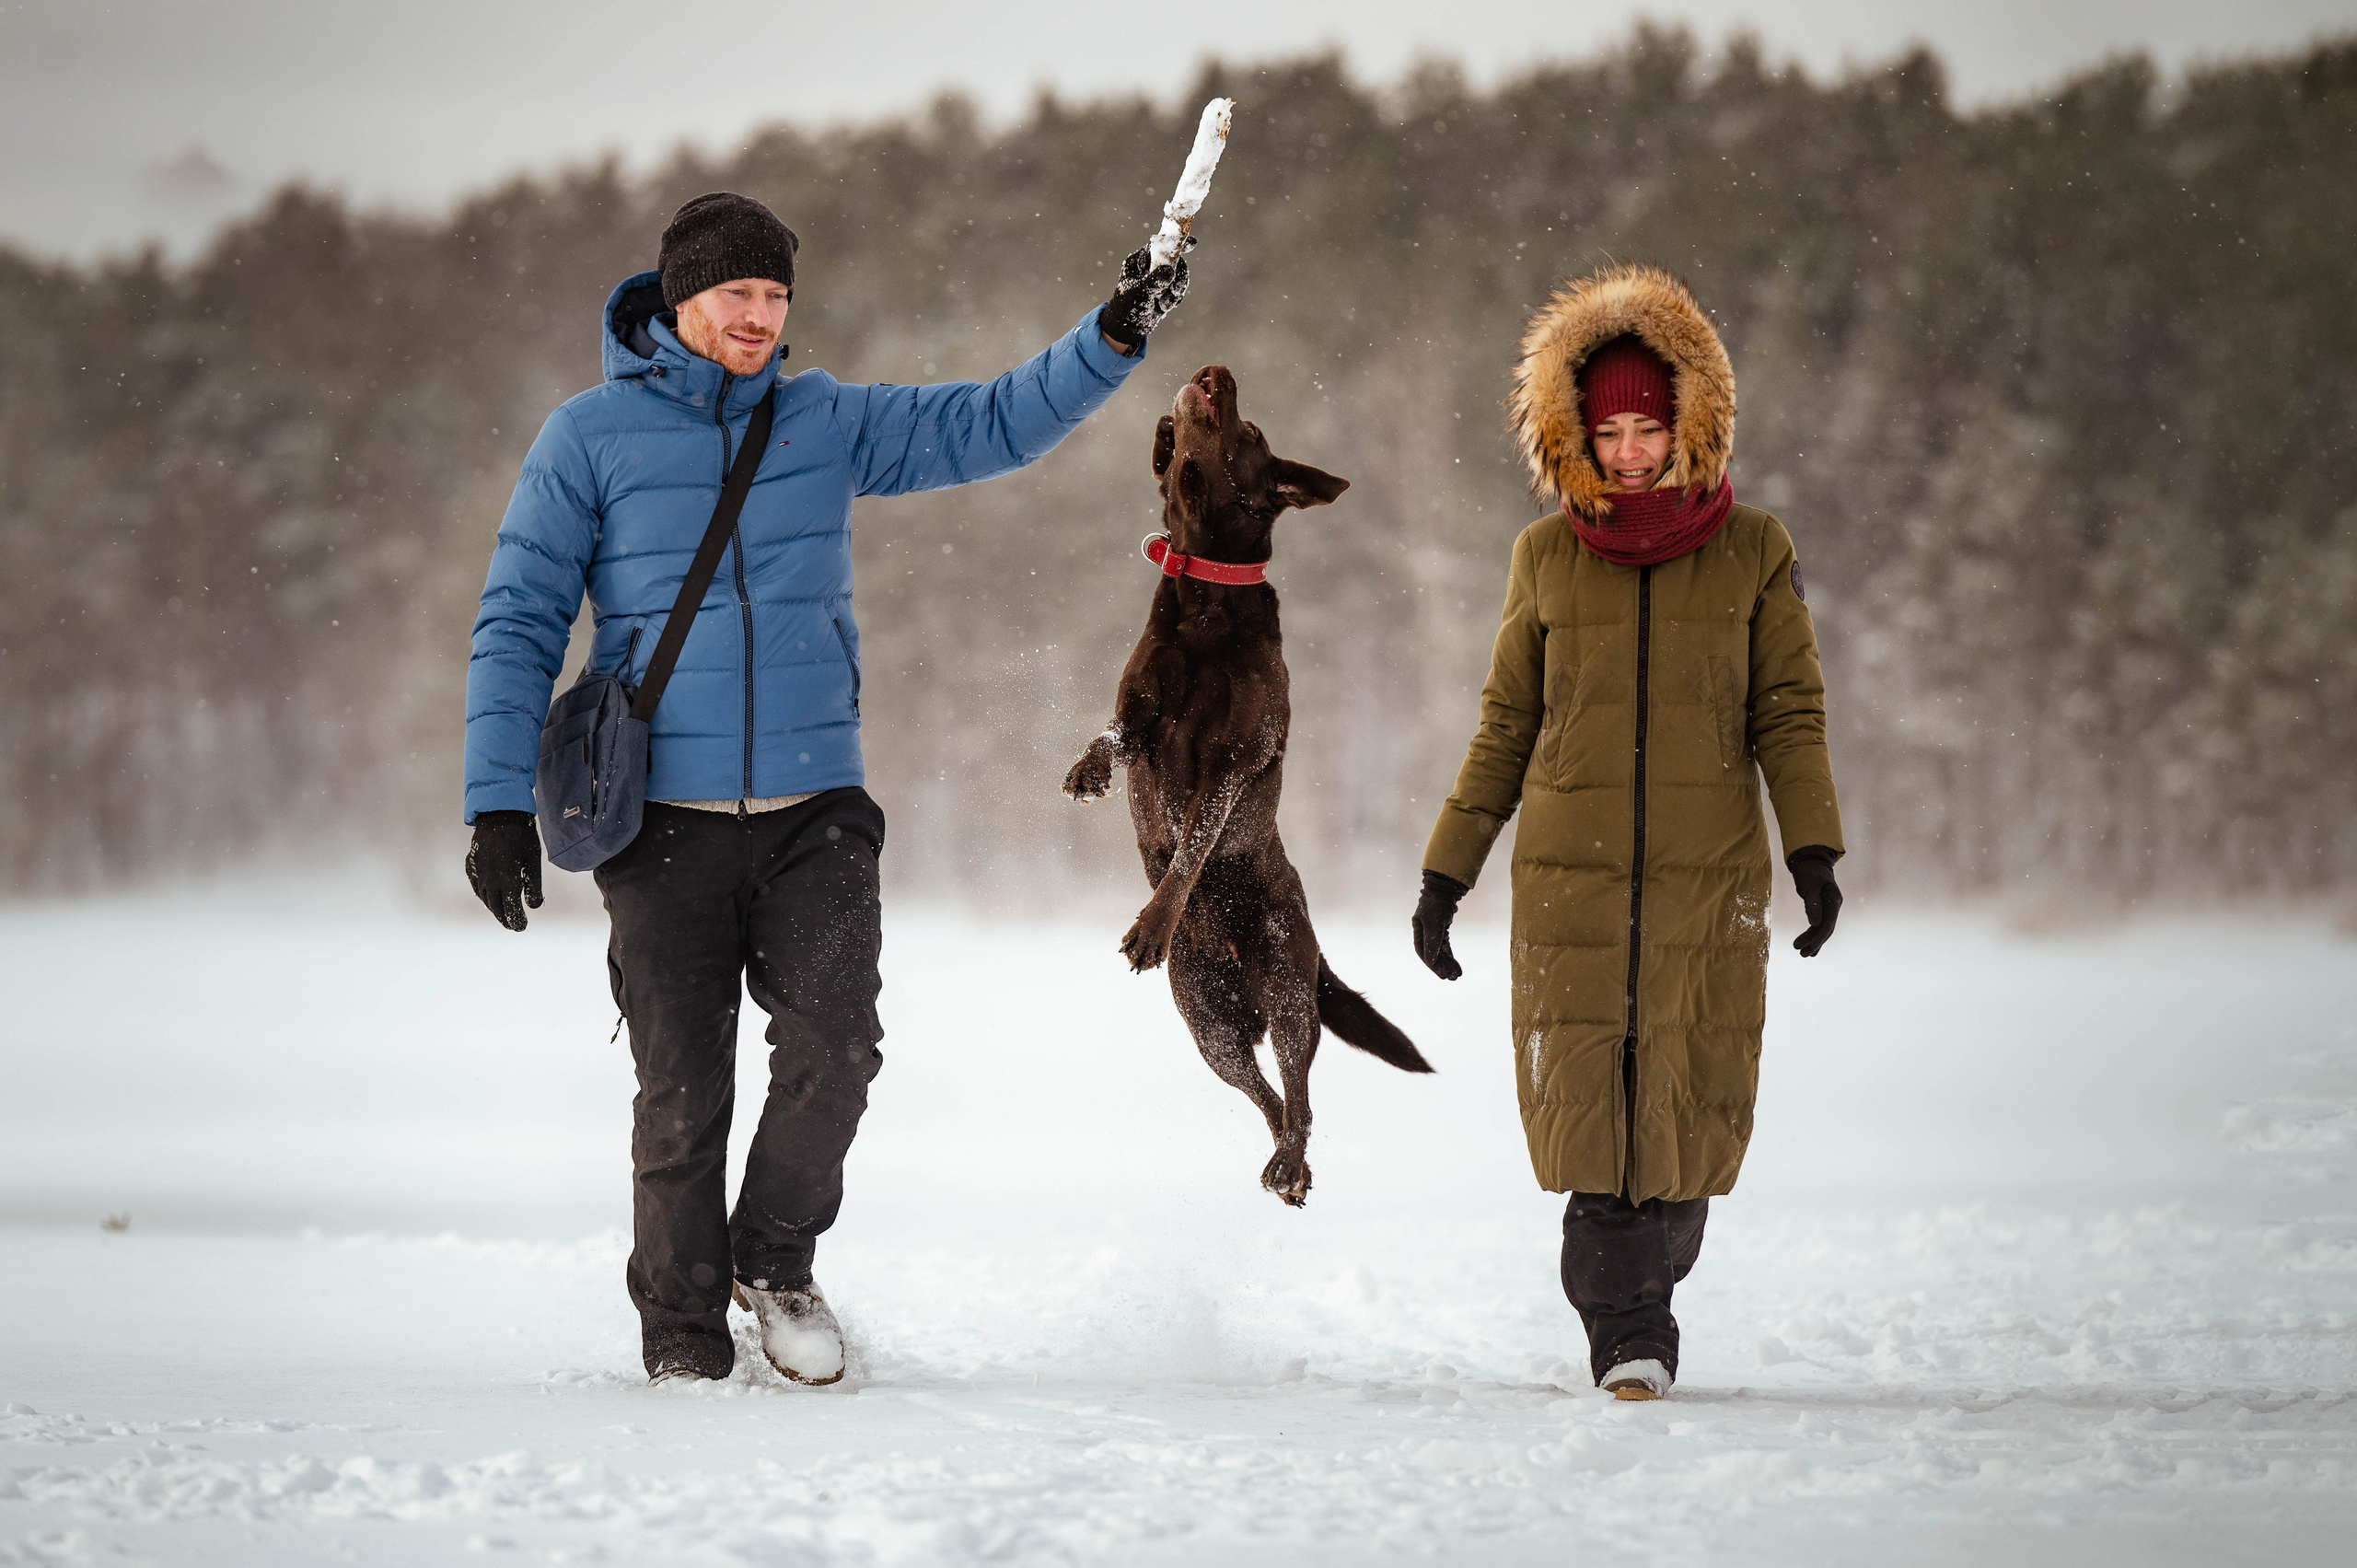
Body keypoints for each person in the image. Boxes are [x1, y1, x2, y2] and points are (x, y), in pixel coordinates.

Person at [460, 192, 1188, 1385]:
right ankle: (683, 1335)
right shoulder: (585, 440)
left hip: (813, 807)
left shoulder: (823, 420)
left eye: (776, 296)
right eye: (738, 294)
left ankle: (775, 1258)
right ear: (679, 298)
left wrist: (1110, 333)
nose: (760, 316)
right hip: (661, 820)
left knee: (838, 1042)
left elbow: (994, 422)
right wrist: (496, 799)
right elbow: (518, 619)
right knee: (683, 1093)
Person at [1410, 262, 1844, 1402]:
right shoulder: (1543, 559)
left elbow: (1786, 713)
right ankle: (1628, 1338)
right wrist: (1446, 869)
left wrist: (1814, 852)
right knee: (1598, 1149)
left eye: (1652, 426)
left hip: (1708, 885)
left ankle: (1639, 1306)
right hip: (1571, 885)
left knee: (1681, 1143)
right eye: (1610, 431)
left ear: (1689, 423)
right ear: (1574, 436)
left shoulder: (1753, 550)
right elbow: (1508, 720)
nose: (1634, 451)